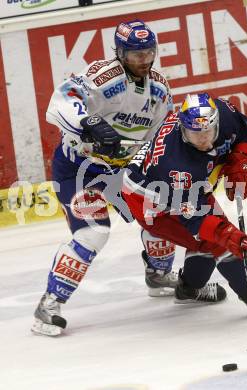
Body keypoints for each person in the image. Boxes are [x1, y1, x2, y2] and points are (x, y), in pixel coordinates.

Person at [32, 20, 179, 336]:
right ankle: (49, 304)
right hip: (80, 169)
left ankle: (159, 275)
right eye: (136, 54)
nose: (143, 60)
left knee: (161, 209)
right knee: (93, 233)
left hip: (122, 170)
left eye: (149, 53)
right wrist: (89, 122)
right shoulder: (103, 75)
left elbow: (164, 133)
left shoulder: (160, 88)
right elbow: (61, 99)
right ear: (121, 52)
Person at [122, 93, 247, 313]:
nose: (203, 139)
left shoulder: (223, 112)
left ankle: (188, 289)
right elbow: (195, 219)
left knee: (210, 240)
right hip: (149, 200)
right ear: (183, 129)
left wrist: (241, 161)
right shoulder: (176, 165)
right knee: (216, 240)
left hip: (185, 188)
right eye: (194, 133)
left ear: (216, 121)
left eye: (208, 131)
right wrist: (229, 235)